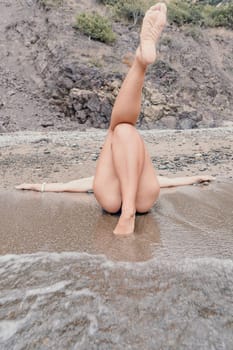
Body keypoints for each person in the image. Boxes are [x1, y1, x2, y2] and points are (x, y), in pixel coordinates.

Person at [15, 3, 214, 235]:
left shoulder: (98, 177)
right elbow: (168, 181)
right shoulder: (144, 172)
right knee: (124, 129)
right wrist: (195, 178)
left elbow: (72, 187)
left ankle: (140, 64)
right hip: (145, 199)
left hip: (111, 202)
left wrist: (40, 187)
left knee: (120, 129)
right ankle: (140, 64)